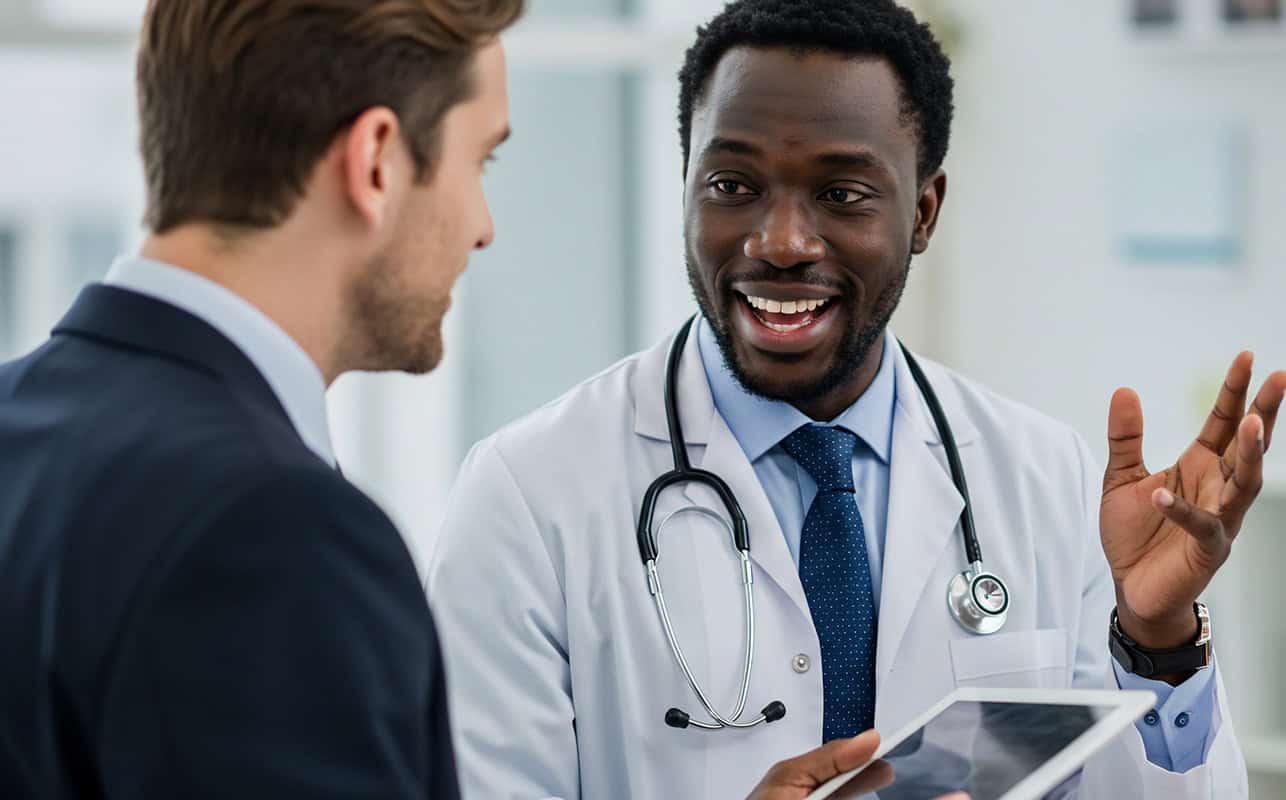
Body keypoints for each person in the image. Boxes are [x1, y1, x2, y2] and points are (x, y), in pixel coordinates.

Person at [0, 1, 918, 797]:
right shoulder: (273, 531)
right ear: (376, 162)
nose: (482, 228)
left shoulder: (22, 428)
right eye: (480, 162)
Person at [427, 1, 1285, 798]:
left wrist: (1157, 639)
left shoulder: (1046, 476)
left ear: (923, 210)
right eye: (732, 185)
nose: (782, 242)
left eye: (841, 194)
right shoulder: (527, 496)